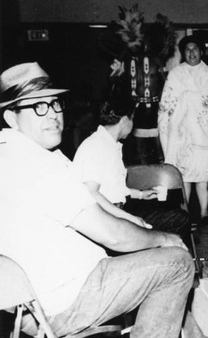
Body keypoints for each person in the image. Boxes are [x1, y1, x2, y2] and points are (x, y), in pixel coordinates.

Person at [0, 62, 194, 338]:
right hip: (66, 298)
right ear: (11, 118)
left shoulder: (13, 153)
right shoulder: (34, 163)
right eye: (38, 107)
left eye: (55, 104)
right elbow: (111, 235)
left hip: (34, 301)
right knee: (178, 263)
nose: (53, 114)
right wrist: (164, 239)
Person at [72, 93, 191, 244]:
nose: (133, 123)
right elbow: (91, 194)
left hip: (116, 212)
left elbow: (112, 188)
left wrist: (140, 194)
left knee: (172, 214)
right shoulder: (96, 146)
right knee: (178, 220)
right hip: (106, 220)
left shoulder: (107, 144)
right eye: (132, 118)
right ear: (124, 120)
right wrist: (131, 219)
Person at [158, 35, 208, 224]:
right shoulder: (176, 73)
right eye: (187, 49)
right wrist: (185, 102)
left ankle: (203, 213)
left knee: (202, 176)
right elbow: (167, 103)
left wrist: (189, 98)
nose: (192, 53)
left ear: (201, 51)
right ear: (183, 52)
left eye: (195, 49)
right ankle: (185, 211)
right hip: (180, 133)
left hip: (202, 131)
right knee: (184, 174)